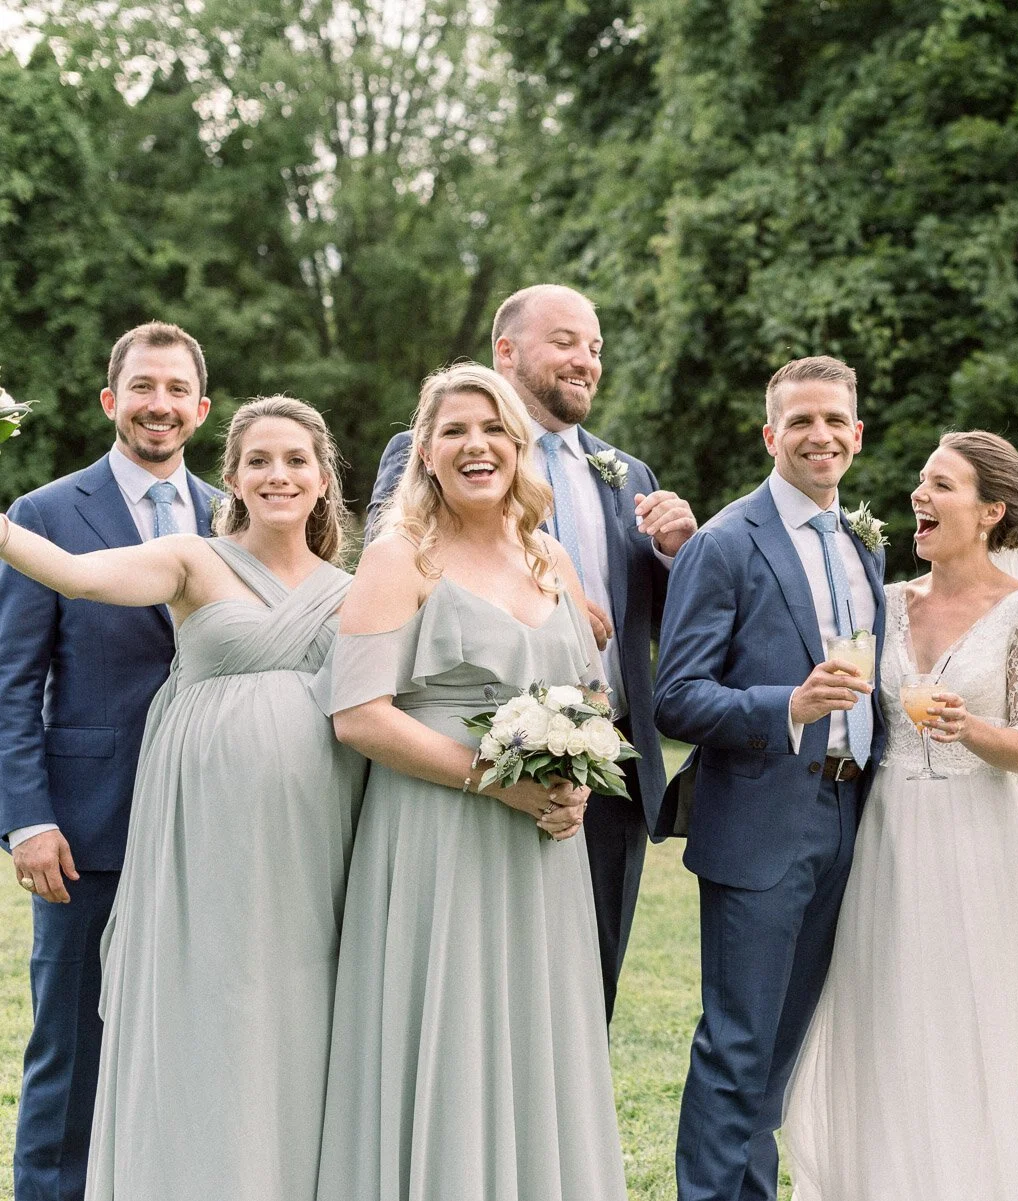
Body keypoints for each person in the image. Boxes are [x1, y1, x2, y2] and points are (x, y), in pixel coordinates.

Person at [2, 396, 363, 1198]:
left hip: (320, 835)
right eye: (259, 460)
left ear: (322, 476)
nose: (278, 474)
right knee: (216, 1006)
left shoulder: (357, 586)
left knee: (304, 1007)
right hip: (208, 830)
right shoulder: (192, 559)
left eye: (296, 459)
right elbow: (76, 574)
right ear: (230, 475)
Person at [784, 432, 1018, 1200]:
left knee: (983, 1025)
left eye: (940, 485)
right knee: (889, 1015)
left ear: (989, 511)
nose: (920, 495)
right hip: (885, 839)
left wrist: (968, 729)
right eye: (921, 480)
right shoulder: (880, 603)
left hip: (983, 840)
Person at [314, 363, 627, 1200]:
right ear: (424, 450)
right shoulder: (399, 556)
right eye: (453, 431)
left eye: (493, 429)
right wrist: (496, 781)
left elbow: (592, 696)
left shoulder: (548, 554)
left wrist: (579, 780)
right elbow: (357, 713)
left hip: (540, 849)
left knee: (536, 1034)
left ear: (520, 447)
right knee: (450, 1033)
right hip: (436, 837)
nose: (475, 445)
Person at [368, 284, 695, 1021]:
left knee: (589, 988)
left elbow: (668, 624)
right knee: (481, 991)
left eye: (596, 346)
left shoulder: (628, 474)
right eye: (566, 341)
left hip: (606, 766)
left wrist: (683, 556)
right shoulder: (429, 452)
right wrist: (546, 601)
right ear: (506, 351)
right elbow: (401, 560)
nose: (587, 359)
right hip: (479, 762)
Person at [653, 355, 887, 1201]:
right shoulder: (724, 543)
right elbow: (676, 696)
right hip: (759, 820)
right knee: (738, 1044)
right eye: (800, 422)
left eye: (834, 421)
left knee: (783, 1044)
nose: (818, 435)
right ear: (770, 435)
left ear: (856, 435)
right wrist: (787, 705)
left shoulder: (863, 543)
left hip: (848, 811)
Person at [0, 322, 219, 1201]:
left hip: (214, 823)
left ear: (201, 410)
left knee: (194, 1040)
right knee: (72, 1048)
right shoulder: (46, 514)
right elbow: (11, 683)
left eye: (176, 390)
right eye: (142, 387)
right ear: (110, 400)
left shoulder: (235, 510)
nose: (158, 405)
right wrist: (27, 817)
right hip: (86, 826)